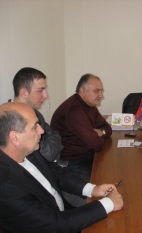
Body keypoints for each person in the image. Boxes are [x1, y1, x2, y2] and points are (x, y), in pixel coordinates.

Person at [0, 102, 123, 233]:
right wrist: (108, 204)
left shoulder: (28, 152)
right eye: (34, 126)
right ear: (15, 138)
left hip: (65, 215)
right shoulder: (6, 186)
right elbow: (55, 225)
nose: (41, 130)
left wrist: (93, 189)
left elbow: (56, 173)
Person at [51, 74, 112, 180]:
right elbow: (96, 144)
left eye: (101, 91)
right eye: (96, 91)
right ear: (83, 91)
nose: (101, 95)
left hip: (86, 155)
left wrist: (100, 132)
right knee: (108, 178)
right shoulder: (75, 111)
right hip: (73, 162)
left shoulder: (89, 105)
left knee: (115, 166)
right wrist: (96, 136)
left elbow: (108, 129)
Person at [12, 67, 63, 162]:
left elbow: (56, 135)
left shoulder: (36, 113)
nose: (46, 95)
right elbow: (50, 154)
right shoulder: (9, 122)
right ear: (24, 93)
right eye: (40, 90)